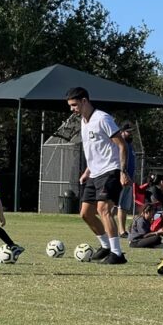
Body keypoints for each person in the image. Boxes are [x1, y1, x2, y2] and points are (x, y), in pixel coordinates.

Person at [67, 87, 131, 264]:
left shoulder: (103, 118)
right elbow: (94, 149)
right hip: (94, 174)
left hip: (110, 171)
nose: (72, 109)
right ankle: (105, 246)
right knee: (85, 214)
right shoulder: (83, 121)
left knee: (103, 210)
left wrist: (122, 172)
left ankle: (117, 254)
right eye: (70, 106)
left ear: (84, 101)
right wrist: (87, 171)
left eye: (74, 105)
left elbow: (122, 145)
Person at [114, 122, 136, 238]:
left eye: (132, 131)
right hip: (122, 178)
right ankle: (119, 231)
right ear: (122, 132)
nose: (131, 134)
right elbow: (119, 162)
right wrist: (124, 174)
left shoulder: (130, 145)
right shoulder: (120, 144)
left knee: (124, 206)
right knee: (118, 205)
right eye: (129, 131)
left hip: (129, 180)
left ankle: (122, 231)